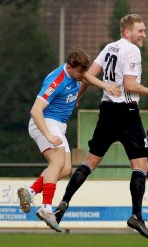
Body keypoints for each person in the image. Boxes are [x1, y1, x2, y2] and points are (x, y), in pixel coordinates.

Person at [53, 14, 148, 240]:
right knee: (140, 166)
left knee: (90, 162)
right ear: (128, 32)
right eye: (140, 31)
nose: (144, 35)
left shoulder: (109, 48)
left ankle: (62, 206)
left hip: (106, 111)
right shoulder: (132, 50)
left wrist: (78, 96)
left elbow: (86, 75)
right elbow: (130, 85)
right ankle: (136, 216)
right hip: (127, 111)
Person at [17, 47, 120, 232]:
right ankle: (46, 208)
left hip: (58, 125)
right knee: (56, 162)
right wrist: (48, 135)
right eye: (80, 71)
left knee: (65, 169)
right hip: (45, 122)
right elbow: (35, 110)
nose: (83, 75)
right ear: (70, 67)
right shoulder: (56, 81)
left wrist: (105, 86)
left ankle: (31, 191)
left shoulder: (76, 73)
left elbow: (87, 77)